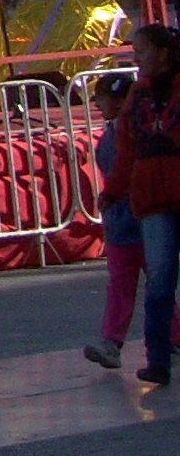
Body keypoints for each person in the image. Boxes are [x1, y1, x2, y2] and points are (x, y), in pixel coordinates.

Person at [113, 24, 180, 385]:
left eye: (141, 50)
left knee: (161, 280)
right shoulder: (137, 96)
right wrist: (113, 189)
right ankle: (158, 359)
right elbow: (125, 149)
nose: (136, 58)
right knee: (159, 281)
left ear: (164, 52)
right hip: (153, 202)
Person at [86, 71, 141, 370]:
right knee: (140, 284)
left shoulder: (126, 135)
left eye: (102, 99)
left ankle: (112, 342)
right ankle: (112, 341)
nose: (97, 105)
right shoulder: (115, 134)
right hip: (126, 220)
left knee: (137, 284)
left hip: (132, 217)